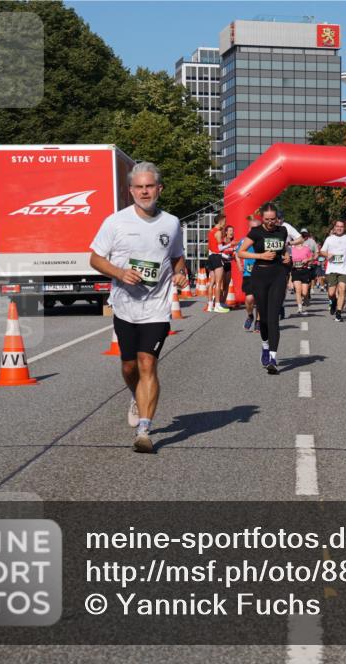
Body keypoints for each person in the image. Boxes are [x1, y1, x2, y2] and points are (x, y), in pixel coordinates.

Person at [89, 162, 187, 453]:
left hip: (157, 307)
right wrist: (119, 273)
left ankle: (145, 430)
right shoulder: (115, 222)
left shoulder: (171, 223)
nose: (145, 192)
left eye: (150, 186)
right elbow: (95, 259)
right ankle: (135, 394)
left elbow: (177, 258)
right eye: (139, 187)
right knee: (129, 365)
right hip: (124, 305)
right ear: (131, 191)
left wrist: (181, 273)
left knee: (148, 364)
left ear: (160, 188)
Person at [237, 202, 291, 374]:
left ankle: (273, 359)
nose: (270, 222)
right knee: (265, 318)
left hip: (278, 275)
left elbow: (285, 249)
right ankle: (265, 346)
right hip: (260, 275)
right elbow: (241, 252)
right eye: (267, 219)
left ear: (277, 218)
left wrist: (287, 256)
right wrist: (260, 255)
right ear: (262, 218)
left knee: (274, 317)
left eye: (273, 219)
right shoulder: (256, 232)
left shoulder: (282, 231)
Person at [319, 220, 346, 323]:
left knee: (342, 289)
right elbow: (322, 251)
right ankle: (333, 302)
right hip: (332, 269)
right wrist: (326, 254)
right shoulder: (329, 239)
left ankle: (339, 313)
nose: (339, 228)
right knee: (331, 293)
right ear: (334, 227)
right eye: (337, 226)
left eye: (341, 226)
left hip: (344, 268)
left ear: (344, 228)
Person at [240, 216, 261, 332]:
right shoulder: (244, 241)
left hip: (262, 274)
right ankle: (250, 315)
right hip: (248, 274)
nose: (254, 231)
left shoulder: (263, 241)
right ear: (249, 229)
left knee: (260, 300)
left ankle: (258, 321)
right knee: (249, 299)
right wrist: (239, 264)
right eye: (252, 229)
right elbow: (238, 253)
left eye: (256, 228)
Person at [206, 214, 229, 313]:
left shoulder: (211, 231)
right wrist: (229, 245)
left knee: (212, 282)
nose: (225, 223)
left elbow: (211, 247)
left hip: (211, 257)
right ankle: (218, 305)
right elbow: (219, 248)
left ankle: (210, 305)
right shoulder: (218, 232)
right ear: (220, 221)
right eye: (224, 221)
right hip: (216, 257)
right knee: (219, 282)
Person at [291, 228, 317, 315]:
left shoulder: (306, 249)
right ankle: (300, 308)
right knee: (298, 291)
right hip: (295, 271)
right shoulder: (291, 249)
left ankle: (306, 299)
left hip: (305, 271)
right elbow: (287, 258)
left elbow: (313, 257)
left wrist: (307, 259)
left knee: (304, 292)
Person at [220, 224, 237, 306]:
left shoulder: (233, 242)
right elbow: (218, 252)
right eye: (230, 231)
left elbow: (235, 253)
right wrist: (226, 256)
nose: (232, 232)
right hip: (221, 264)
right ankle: (218, 301)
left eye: (233, 231)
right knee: (221, 284)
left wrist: (234, 257)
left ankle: (223, 302)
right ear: (226, 232)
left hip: (228, 264)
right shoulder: (222, 241)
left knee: (227, 284)